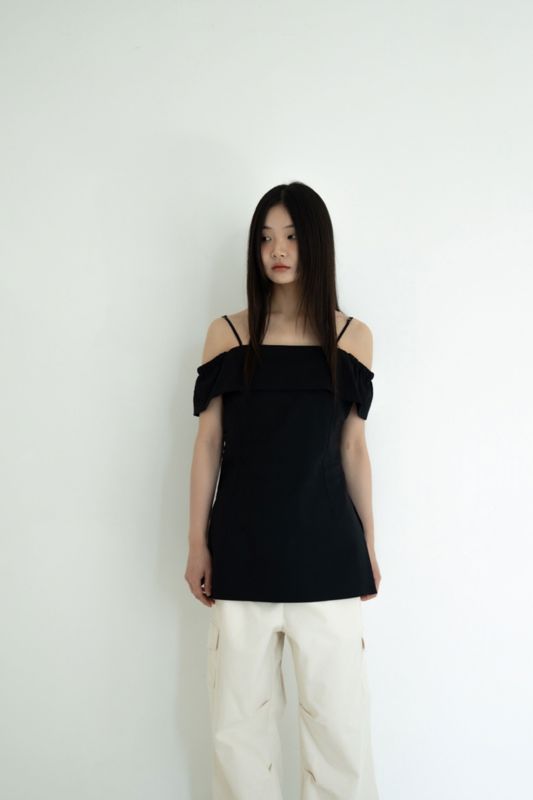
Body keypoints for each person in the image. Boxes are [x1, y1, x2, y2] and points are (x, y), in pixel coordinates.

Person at [185, 181, 382, 799]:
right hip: (241, 556)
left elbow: (353, 449)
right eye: (267, 238)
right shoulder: (227, 334)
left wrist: (369, 547)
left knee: (339, 734)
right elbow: (208, 444)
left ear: (315, 244)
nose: (278, 250)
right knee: (238, 733)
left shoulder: (352, 337)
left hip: (328, 559)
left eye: (292, 237)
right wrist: (197, 544)